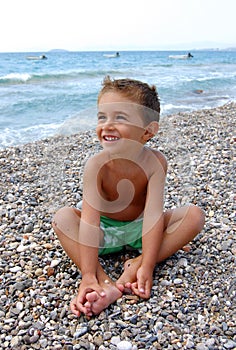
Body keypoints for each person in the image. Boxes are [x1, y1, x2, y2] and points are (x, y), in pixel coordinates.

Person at [52, 76, 205, 317]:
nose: (107, 125)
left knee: (194, 216)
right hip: (104, 233)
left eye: (120, 117)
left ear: (147, 132)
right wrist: (88, 274)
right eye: (102, 117)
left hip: (141, 231)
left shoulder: (155, 162)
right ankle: (101, 283)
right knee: (63, 218)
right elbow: (90, 222)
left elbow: (154, 217)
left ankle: (134, 266)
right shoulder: (97, 165)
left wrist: (147, 264)